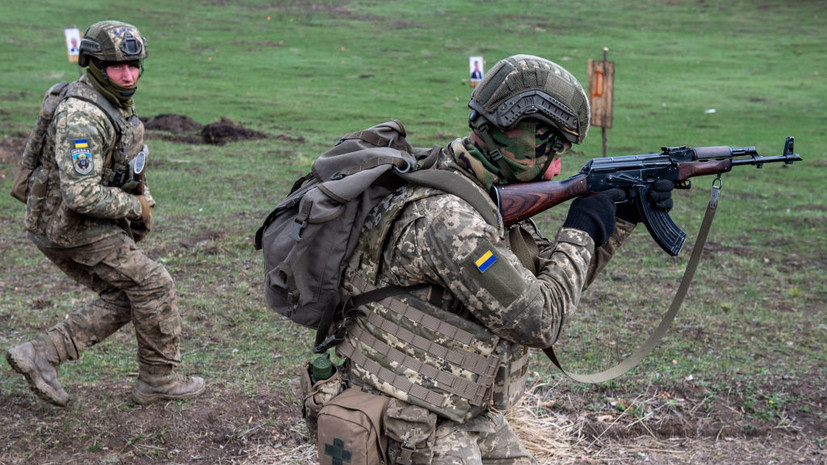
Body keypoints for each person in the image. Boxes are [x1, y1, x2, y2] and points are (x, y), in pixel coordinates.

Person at [328, 55, 674, 464]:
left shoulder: (475, 190)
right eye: (551, 146)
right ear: (515, 134)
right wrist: (580, 230)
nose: (559, 163)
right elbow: (539, 319)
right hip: (408, 418)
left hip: (457, 406)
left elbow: (547, 282)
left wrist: (619, 220)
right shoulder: (451, 220)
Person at [5, 20, 205, 407]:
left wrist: (138, 197)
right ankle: (159, 380)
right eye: (117, 67)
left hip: (72, 221)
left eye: (134, 65)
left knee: (129, 294)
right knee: (153, 284)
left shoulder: (110, 100)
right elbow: (80, 194)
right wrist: (136, 207)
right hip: (69, 225)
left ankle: (41, 355)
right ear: (95, 65)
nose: (128, 75)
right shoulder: (82, 117)